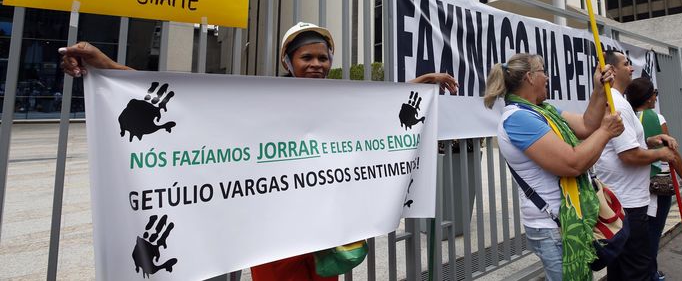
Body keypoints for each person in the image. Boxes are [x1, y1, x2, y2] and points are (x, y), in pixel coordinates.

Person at [60, 21, 457, 280]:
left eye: (323, 57)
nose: (316, 64)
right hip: (273, 237)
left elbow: (384, 111)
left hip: (326, 236)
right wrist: (107, 66)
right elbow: (183, 101)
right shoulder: (259, 101)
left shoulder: (342, 101)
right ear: (288, 62)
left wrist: (418, 86)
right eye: (307, 57)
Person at [484, 53, 624, 281]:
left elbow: (587, 125)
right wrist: (606, 132)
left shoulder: (544, 111)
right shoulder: (519, 119)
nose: (547, 77)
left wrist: (599, 90)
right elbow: (573, 163)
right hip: (552, 228)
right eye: (543, 71)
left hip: (564, 224)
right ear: (530, 77)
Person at [594, 50, 677, 281]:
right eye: (626, 64)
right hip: (628, 203)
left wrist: (651, 141)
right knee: (636, 269)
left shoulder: (618, 101)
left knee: (622, 269)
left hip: (624, 199)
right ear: (612, 70)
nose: (631, 68)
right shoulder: (616, 103)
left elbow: (624, 144)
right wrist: (661, 153)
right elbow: (628, 155)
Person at [626, 77, 682, 281]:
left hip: (635, 184)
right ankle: (650, 274)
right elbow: (672, 154)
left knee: (640, 233)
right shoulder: (656, 118)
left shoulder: (628, 116)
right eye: (654, 92)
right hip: (658, 183)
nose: (656, 96)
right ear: (648, 98)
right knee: (653, 231)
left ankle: (646, 271)